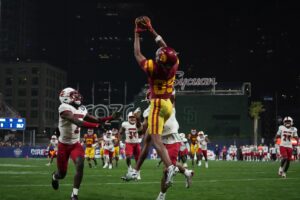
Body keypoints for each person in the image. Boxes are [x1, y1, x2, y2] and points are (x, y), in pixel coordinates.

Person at [124, 16, 179, 186]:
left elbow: (137, 54)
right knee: (148, 139)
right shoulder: (175, 62)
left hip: (157, 105)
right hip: (168, 105)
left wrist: (137, 33)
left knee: (155, 140)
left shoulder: (153, 69)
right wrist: (152, 30)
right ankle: (135, 171)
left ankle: (170, 167)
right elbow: (166, 48)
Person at [51, 87, 120, 200]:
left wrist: (110, 118)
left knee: (80, 164)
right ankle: (55, 176)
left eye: (76, 94)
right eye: (73, 95)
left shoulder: (82, 109)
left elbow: (96, 119)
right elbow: (77, 121)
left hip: (75, 144)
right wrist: (97, 126)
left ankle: (74, 194)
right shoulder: (63, 108)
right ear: (65, 98)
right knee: (61, 174)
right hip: (63, 145)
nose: (77, 97)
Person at [119, 111, 142, 178]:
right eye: (130, 117)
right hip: (129, 143)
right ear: (128, 118)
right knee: (128, 156)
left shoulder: (138, 124)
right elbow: (120, 132)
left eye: (133, 117)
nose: (132, 119)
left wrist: (141, 138)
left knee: (138, 159)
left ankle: (138, 173)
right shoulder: (125, 124)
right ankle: (129, 168)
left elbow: (141, 132)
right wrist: (120, 141)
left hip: (136, 143)